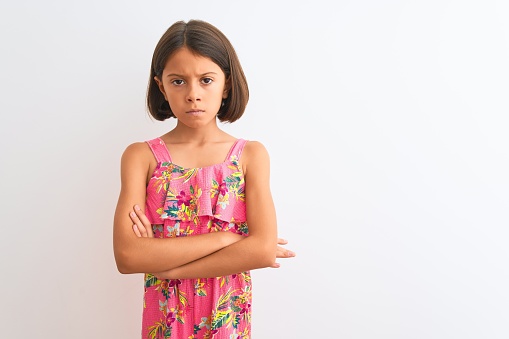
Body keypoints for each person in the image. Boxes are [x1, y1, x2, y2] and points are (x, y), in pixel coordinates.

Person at [113, 19, 295, 338]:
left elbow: (263, 250)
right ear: (161, 86)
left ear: (226, 84)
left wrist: (167, 266)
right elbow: (128, 256)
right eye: (178, 81)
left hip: (227, 324)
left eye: (206, 80)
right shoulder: (141, 157)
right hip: (165, 323)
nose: (193, 94)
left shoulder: (250, 156)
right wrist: (228, 240)